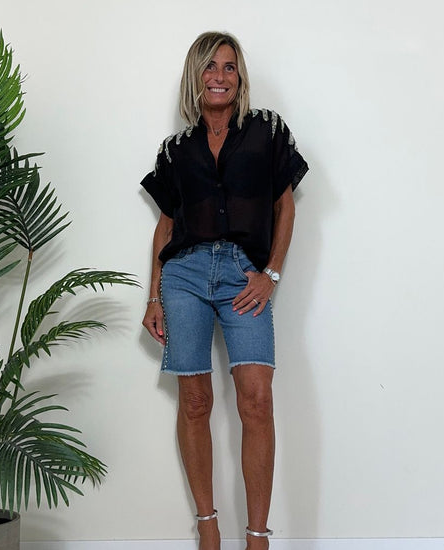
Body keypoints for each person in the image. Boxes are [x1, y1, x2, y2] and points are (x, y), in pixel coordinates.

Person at [141, 31, 308, 550]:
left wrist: (270, 274)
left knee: (256, 399)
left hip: (243, 276)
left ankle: (257, 536)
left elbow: (285, 206)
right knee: (195, 401)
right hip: (184, 277)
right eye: (210, 66)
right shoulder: (176, 149)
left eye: (229, 67)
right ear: (196, 76)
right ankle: (208, 528)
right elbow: (166, 225)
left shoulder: (267, 130)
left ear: (240, 77)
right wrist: (153, 296)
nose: (219, 76)